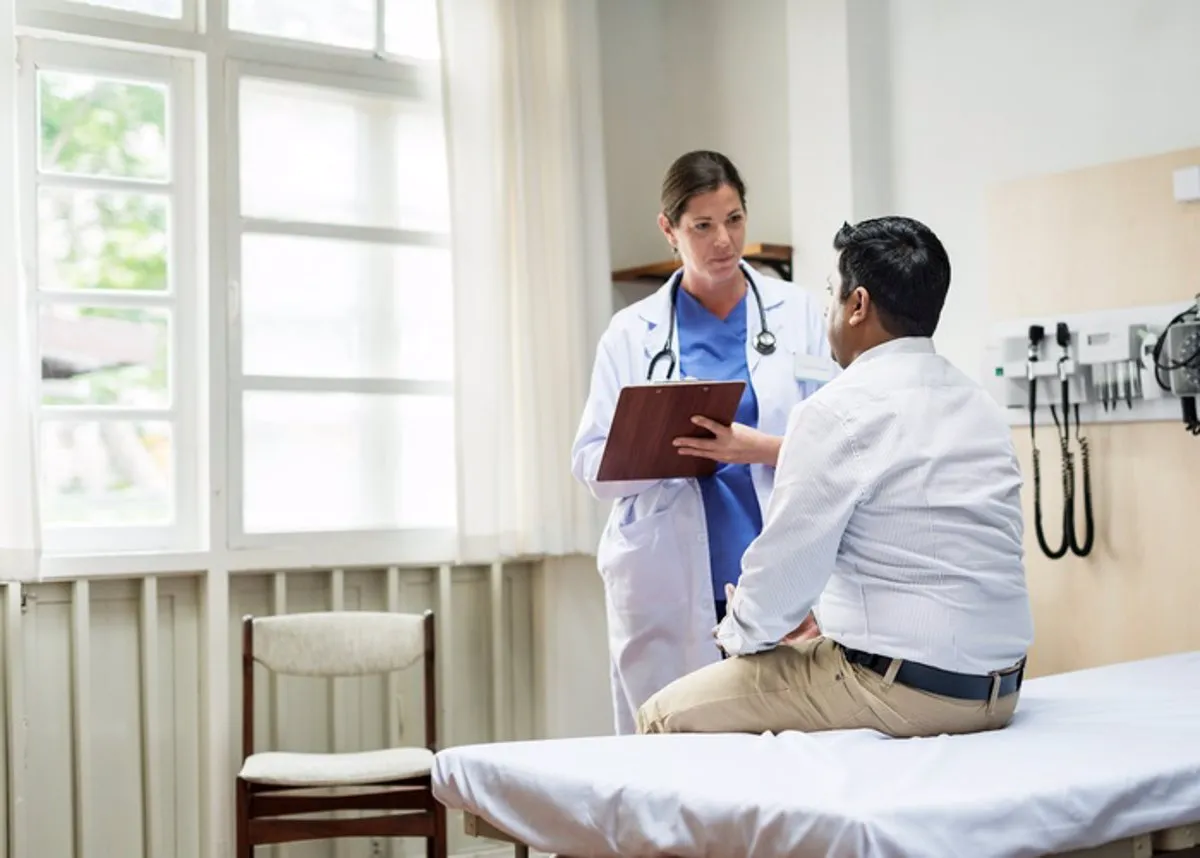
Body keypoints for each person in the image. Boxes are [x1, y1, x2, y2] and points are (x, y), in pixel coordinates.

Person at [635, 215, 1035, 739]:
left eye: (832, 293)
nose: (829, 310)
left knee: (660, 714)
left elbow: (782, 577)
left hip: (902, 692)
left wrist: (738, 634)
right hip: (998, 692)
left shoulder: (836, 411)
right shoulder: (980, 405)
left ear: (858, 304)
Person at [570, 150, 834, 735]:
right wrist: (658, 443)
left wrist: (754, 447)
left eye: (734, 219)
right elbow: (590, 463)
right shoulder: (629, 333)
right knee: (673, 754)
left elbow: (836, 445)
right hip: (668, 576)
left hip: (772, 572)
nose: (724, 240)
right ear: (669, 230)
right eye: (703, 226)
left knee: (783, 754)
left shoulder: (796, 313)